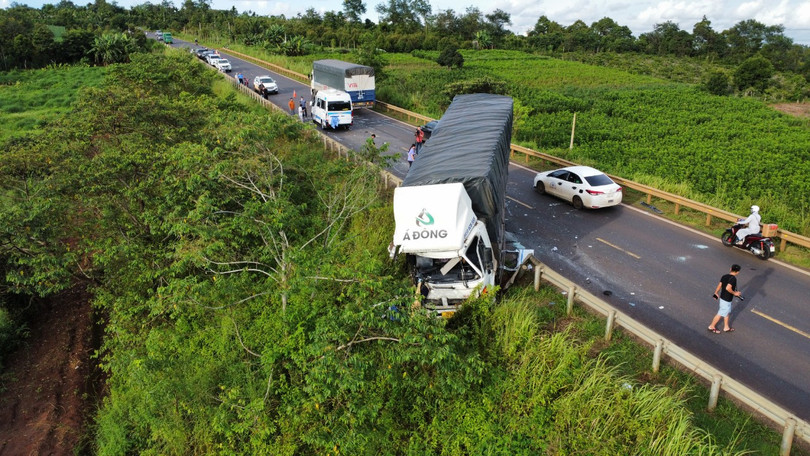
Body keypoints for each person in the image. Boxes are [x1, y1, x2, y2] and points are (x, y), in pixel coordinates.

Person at [708, 264, 743, 333]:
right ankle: (711, 326)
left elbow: (720, 285)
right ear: (738, 272)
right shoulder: (733, 279)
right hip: (726, 299)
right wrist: (735, 293)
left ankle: (726, 327)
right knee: (720, 313)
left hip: (723, 298)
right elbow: (728, 288)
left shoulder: (724, 276)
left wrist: (716, 293)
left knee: (726, 312)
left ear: (730, 269)